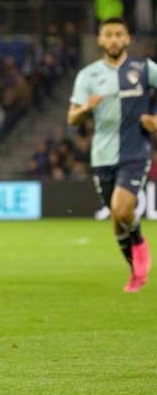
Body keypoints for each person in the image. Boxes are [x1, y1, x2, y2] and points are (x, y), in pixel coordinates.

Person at [68, 17, 156, 292]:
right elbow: (72, 118)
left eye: (119, 34)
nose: (114, 39)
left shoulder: (144, 68)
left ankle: (140, 242)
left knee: (121, 209)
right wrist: (86, 109)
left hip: (135, 151)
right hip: (102, 156)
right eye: (109, 34)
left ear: (128, 38)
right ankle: (135, 272)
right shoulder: (88, 75)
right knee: (118, 221)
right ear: (101, 40)